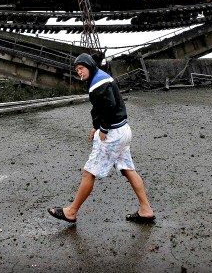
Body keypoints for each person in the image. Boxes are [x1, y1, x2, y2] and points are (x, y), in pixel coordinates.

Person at [48, 53, 155, 224]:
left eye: (81, 68)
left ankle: (71, 211)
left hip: (112, 134)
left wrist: (103, 128)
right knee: (128, 169)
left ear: (89, 66)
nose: (79, 72)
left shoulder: (98, 83)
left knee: (89, 172)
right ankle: (146, 209)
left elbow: (109, 107)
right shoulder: (100, 77)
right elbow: (101, 107)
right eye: (77, 70)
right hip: (123, 130)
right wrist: (96, 126)